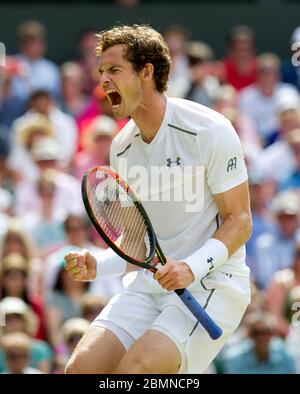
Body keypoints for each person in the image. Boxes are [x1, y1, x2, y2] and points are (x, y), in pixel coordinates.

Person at [64, 24, 252, 374]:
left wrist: (190, 268)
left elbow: (240, 222)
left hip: (213, 285)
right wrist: (98, 264)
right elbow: (138, 245)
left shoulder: (209, 130)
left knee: (134, 374)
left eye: (115, 70)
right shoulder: (122, 146)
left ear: (146, 72)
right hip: (149, 288)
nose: (104, 80)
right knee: (80, 370)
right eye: (102, 71)